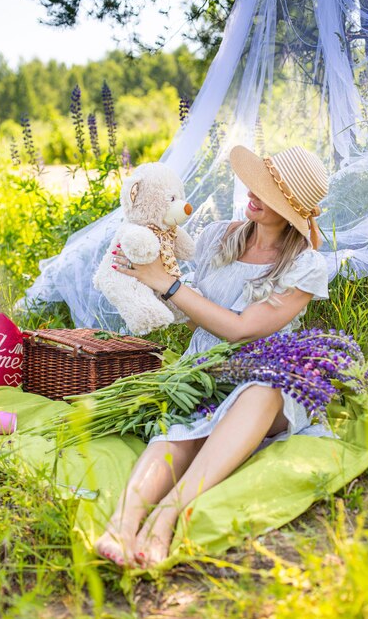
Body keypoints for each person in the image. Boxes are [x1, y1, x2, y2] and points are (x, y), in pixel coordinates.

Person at [95, 144, 331, 568]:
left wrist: (167, 284)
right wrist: (143, 276)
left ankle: (166, 519)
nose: (252, 193)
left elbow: (242, 331)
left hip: (265, 368)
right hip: (205, 368)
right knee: (184, 430)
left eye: (268, 192)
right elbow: (197, 319)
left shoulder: (306, 266)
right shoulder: (216, 235)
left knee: (263, 390)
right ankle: (122, 524)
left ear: (292, 208)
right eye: (255, 182)